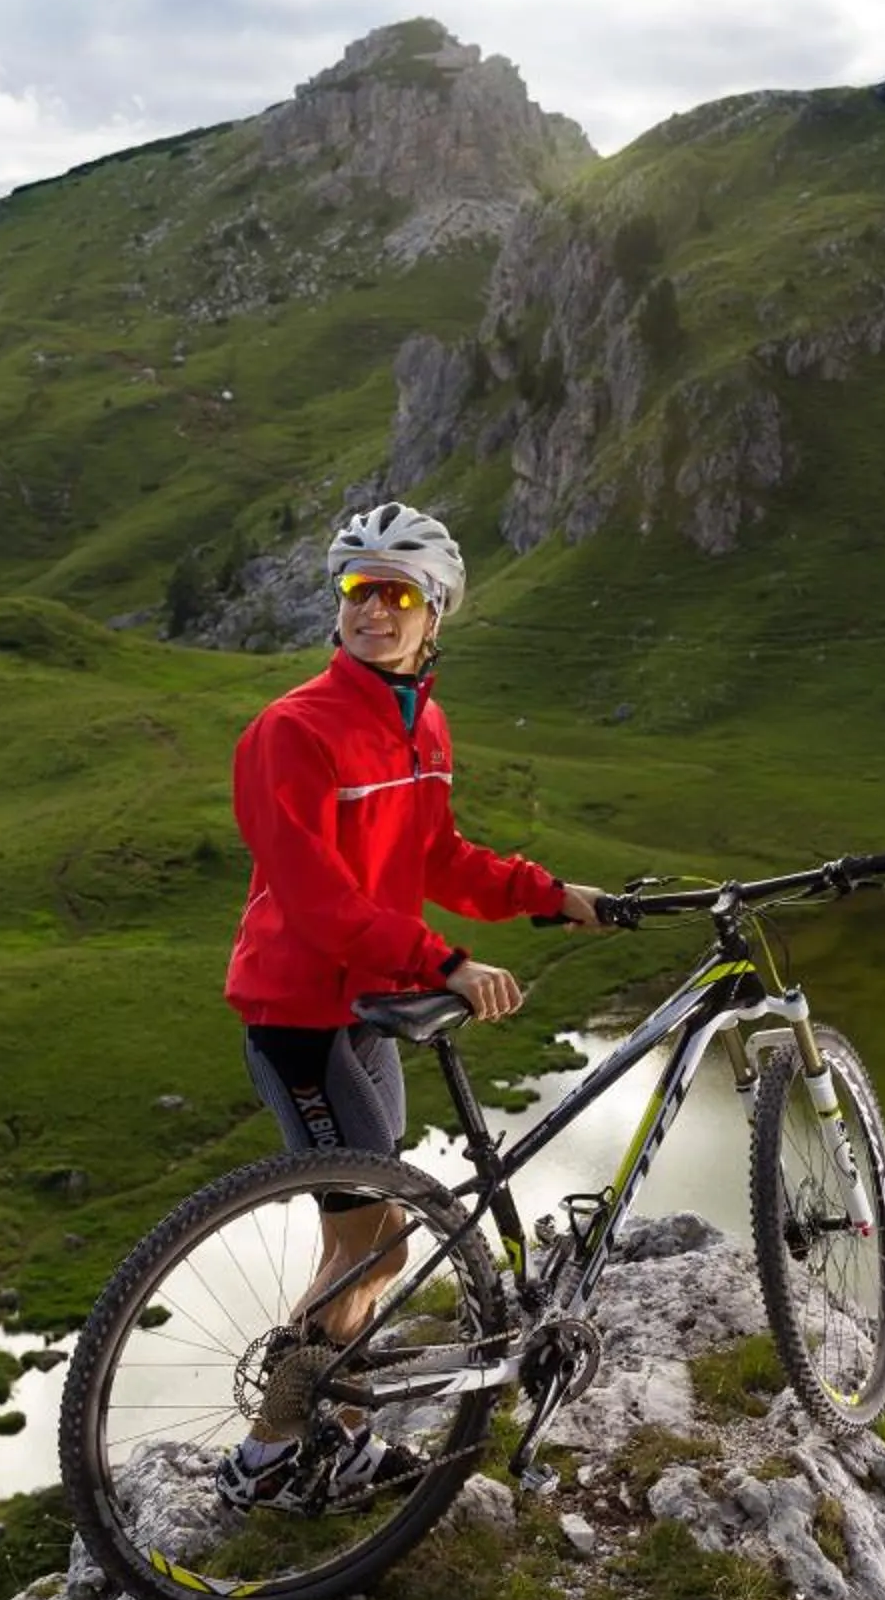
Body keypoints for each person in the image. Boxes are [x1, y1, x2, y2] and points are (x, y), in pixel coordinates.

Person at [216, 500, 607, 1510]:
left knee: (375, 1235)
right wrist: (447, 960)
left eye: (397, 592)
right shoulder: (290, 731)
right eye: (358, 589)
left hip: (372, 1005)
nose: (374, 609)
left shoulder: (421, 722)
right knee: (367, 1237)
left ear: (434, 612)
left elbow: (435, 855)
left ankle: (339, 1434)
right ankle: (264, 1456)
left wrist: (547, 892)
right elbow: (317, 901)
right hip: (303, 1013)